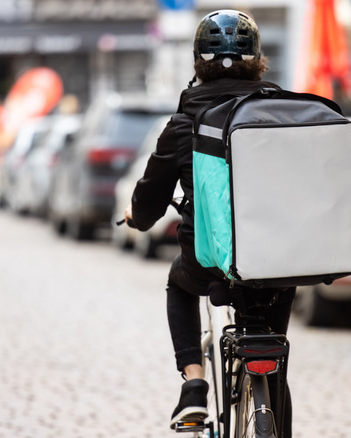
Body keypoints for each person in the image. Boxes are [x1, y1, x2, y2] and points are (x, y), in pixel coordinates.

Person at [123, 9, 296, 435]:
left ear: (198, 63)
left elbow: (147, 204)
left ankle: (195, 384)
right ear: (257, 60)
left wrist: (136, 217)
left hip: (207, 263)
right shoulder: (282, 115)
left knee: (177, 284)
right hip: (276, 262)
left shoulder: (183, 123)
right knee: (276, 366)